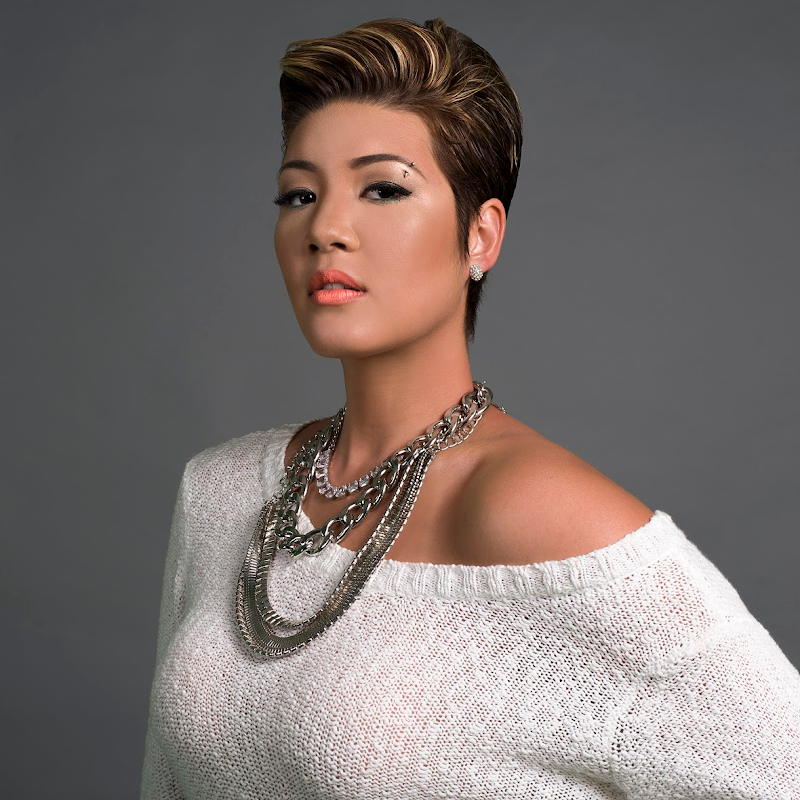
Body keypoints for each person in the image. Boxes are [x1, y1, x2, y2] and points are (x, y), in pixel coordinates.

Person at [140, 17, 800, 799]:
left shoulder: (537, 509)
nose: (326, 229)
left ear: (480, 236)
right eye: (300, 194)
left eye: (384, 189)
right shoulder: (219, 492)